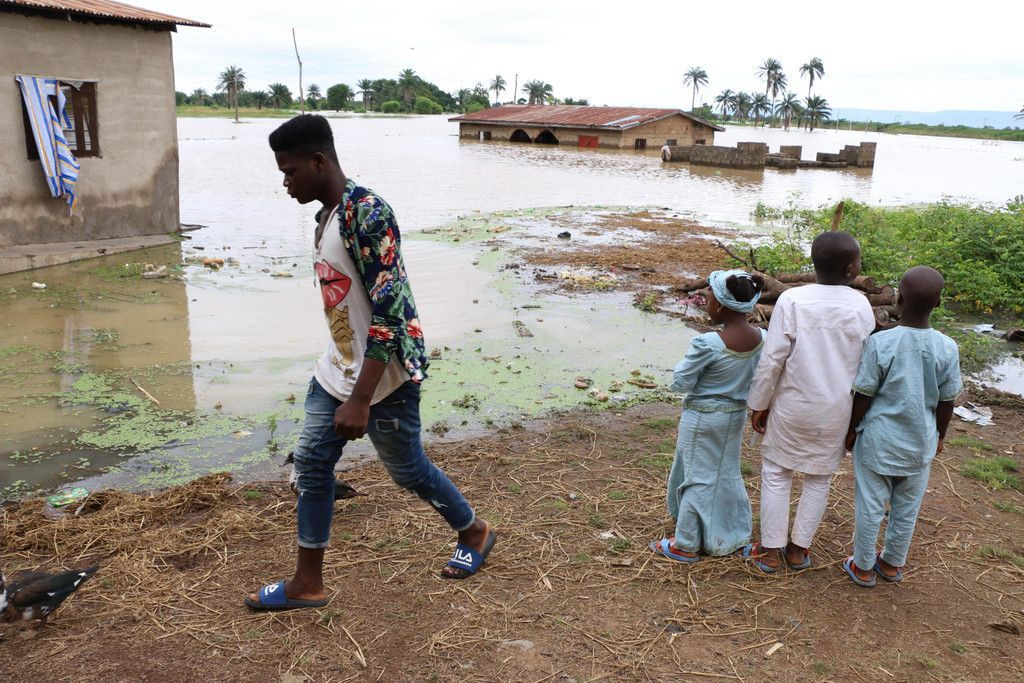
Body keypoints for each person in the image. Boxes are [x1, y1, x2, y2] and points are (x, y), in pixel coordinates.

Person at [246, 115, 495, 611]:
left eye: (290, 171)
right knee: (312, 464)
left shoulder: (369, 213)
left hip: (384, 376)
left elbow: (390, 313)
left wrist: (361, 399)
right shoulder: (326, 215)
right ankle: (307, 583)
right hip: (338, 366)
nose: (285, 183)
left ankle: (474, 531)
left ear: (319, 161)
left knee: (408, 470)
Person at [741, 232, 875, 572]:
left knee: (776, 472)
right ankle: (799, 550)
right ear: (851, 269)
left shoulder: (792, 300)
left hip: (792, 406)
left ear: (813, 264)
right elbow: (865, 362)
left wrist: (759, 402)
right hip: (836, 410)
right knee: (819, 478)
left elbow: (773, 359)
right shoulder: (861, 305)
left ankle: (770, 551)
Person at [842, 266, 961, 587]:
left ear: (899, 299)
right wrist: (939, 436)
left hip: (878, 441)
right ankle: (892, 563)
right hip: (920, 443)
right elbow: (947, 401)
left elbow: (864, 394)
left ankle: (863, 567)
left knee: (870, 505)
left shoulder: (881, 342)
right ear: (938, 303)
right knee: (907, 508)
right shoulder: (947, 347)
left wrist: (852, 430)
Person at [650, 270, 766, 562]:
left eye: (710, 299)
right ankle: (731, 532)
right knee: (726, 472)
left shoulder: (709, 343)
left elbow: (681, 382)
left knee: (697, 477)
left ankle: (686, 543)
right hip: (735, 417)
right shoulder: (762, 338)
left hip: (702, 419)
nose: (707, 304)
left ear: (722, 306)